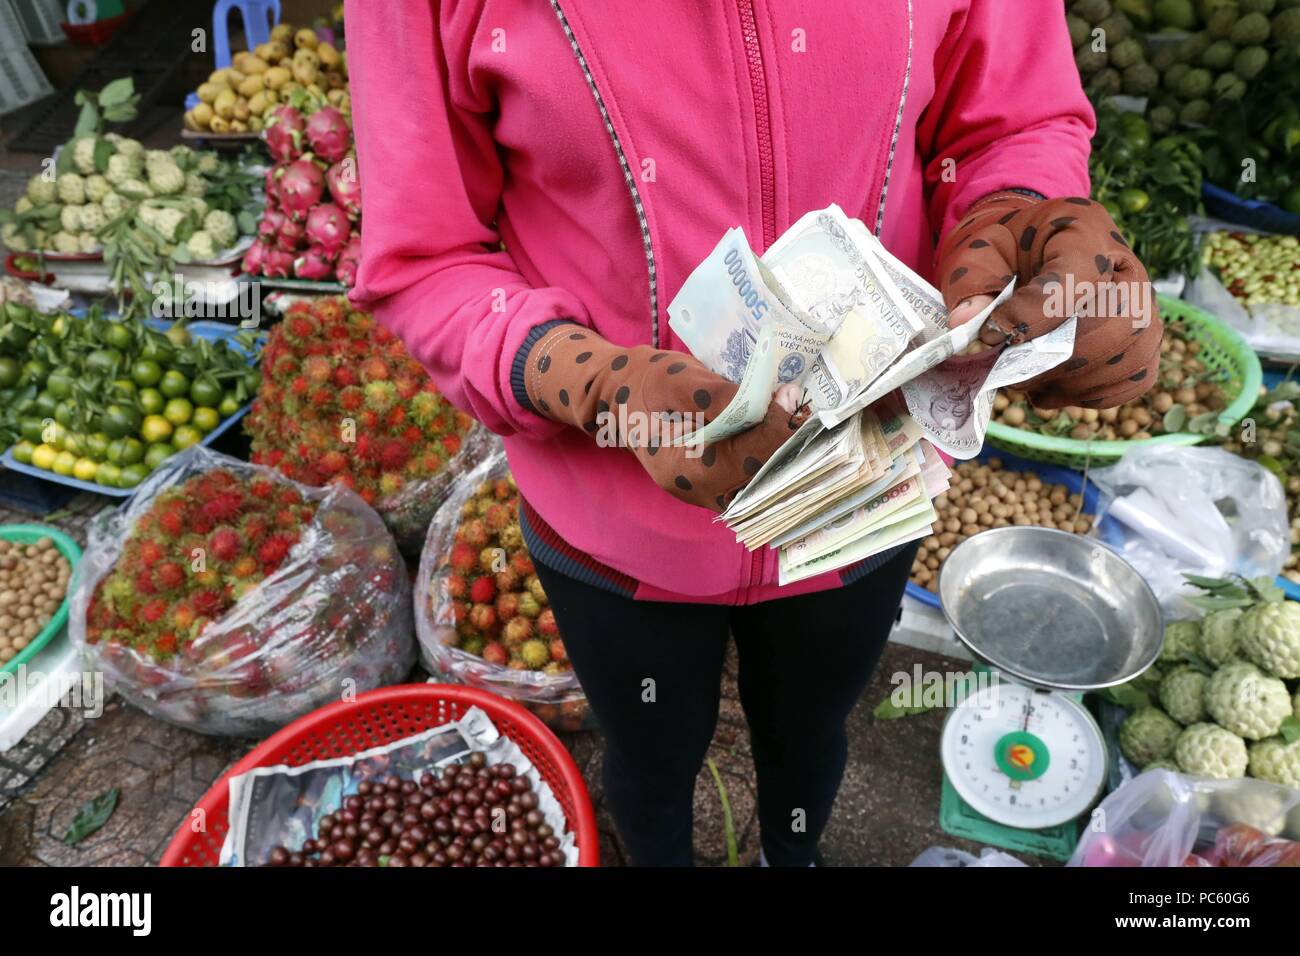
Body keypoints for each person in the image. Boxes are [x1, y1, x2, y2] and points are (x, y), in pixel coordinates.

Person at [345, 0, 1160, 866]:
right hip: (611, 531)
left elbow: (1009, 118)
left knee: (810, 734)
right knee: (651, 758)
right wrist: (596, 384)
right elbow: (427, 257)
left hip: (862, 496)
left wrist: (1019, 223)